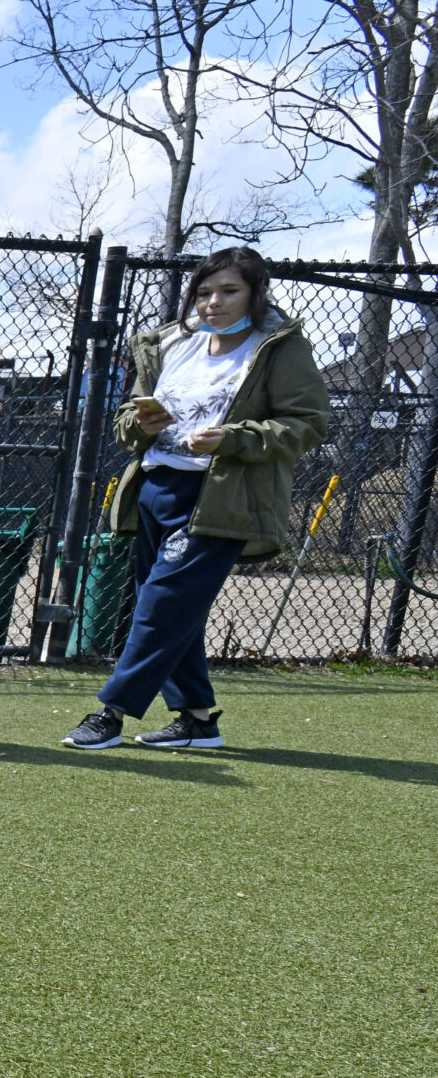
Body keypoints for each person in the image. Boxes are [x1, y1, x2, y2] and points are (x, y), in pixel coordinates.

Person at [62, 248, 329, 751]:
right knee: (164, 606)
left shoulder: (277, 347)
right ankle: (198, 720)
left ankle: (110, 712)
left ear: (255, 293)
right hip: (155, 489)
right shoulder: (170, 343)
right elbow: (126, 422)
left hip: (221, 498)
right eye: (204, 293)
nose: (213, 303)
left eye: (229, 291)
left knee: (161, 605)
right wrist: (140, 425)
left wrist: (232, 438)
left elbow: (308, 423)